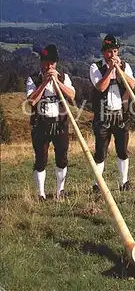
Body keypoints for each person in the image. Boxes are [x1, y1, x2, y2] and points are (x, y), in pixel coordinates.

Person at [27, 44, 76, 201]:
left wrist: (57, 83)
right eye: (46, 62)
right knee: (41, 159)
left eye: (52, 63)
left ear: (56, 63)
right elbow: (32, 101)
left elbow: (71, 95)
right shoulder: (33, 79)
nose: (49, 66)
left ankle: (59, 191)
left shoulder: (64, 77)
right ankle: (40, 194)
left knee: (61, 158)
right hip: (41, 124)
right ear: (41, 62)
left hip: (60, 123)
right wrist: (43, 83)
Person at [89, 34, 135, 192]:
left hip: (121, 115)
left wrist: (120, 71)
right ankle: (97, 184)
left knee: (122, 150)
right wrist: (110, 70)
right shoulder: (95, 67)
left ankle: (124, 182)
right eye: (109, 52)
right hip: (103, 115)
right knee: (101, 151)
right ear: (104, 52)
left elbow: (132, 84)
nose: (113, 55)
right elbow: (101, 87)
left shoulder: (125, 66)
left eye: (115, 51)